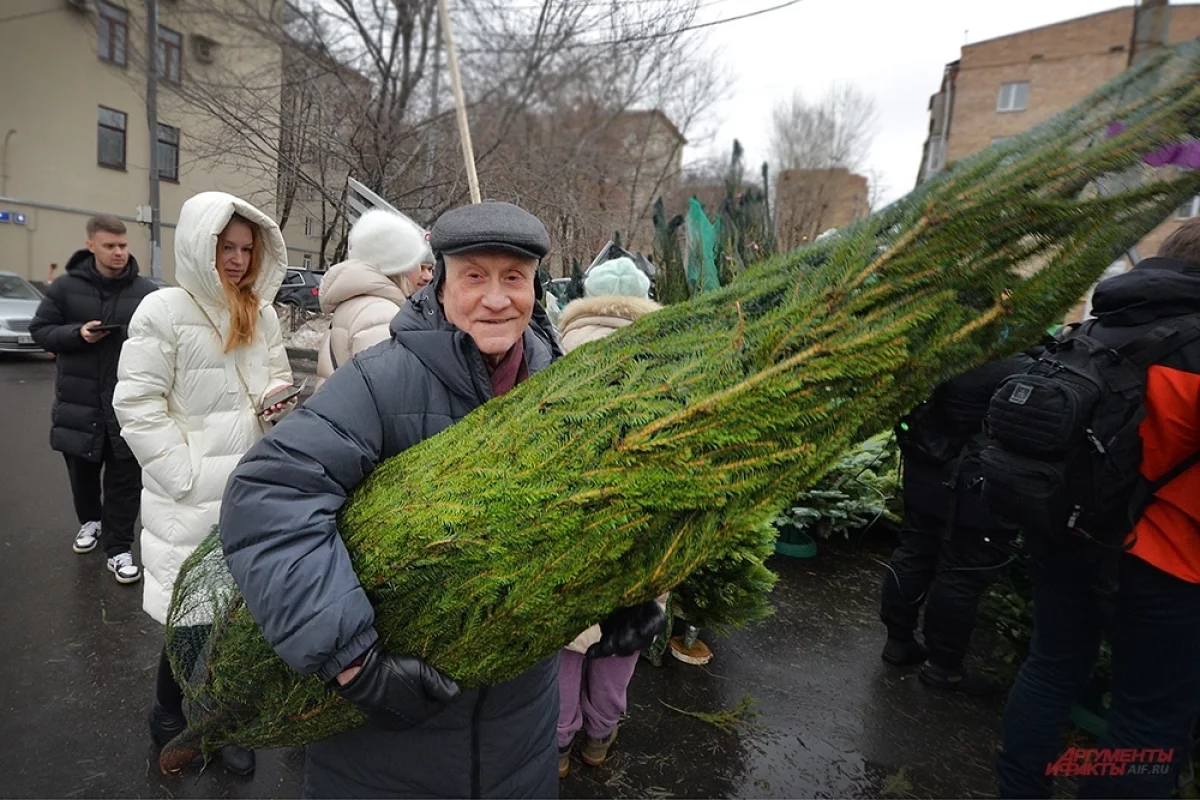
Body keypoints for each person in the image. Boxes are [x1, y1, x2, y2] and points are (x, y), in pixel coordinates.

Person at [218, 201, 666, 798]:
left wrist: (622, 593)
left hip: (521, 736)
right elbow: (268, 496)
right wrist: (352, 661)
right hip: (392, 745)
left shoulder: (560, 385)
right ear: (441, 283)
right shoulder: (382, 380)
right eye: (475, 276)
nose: (496, 298)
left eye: (514, 277)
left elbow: (590, 508)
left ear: (535, 287)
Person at [996, 218, 1200, 798]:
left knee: (1050, 668)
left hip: (1069, 532)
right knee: (1147, 721)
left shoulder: (1097, 328)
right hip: (1170, 564)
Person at [112, 192, 294, 777]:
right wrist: (182, 475)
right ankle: (169, 714)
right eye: (226, 248)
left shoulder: (261, 313)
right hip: (189, 497)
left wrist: (278, 408)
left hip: (253, 488)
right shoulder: (163, 311)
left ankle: (221, 721)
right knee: (190, 618)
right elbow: (136, 404)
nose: (238, 261)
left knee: (239, 619)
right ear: (199, 246)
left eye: (246, 249)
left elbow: (275, 379)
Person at [555, 257, 663, 777]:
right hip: (641, 537)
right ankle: (598, 740)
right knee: (621, 647)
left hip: (568, 538)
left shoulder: (555, 355)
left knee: (566, 647)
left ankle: (557, 746)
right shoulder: (666, 359)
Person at [880, 357, 1025, 695]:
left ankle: (898, 641)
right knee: (961, 574)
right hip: (976, 484)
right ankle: (943, 666)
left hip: (927, 466)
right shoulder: (1017, 367)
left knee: (914, 552)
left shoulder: (950, 353)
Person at [29, 215, 158, 583]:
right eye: (110, 246)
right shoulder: (66, 288)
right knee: (82, 476)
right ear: (91, 246)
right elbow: (41, 331)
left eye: (123, 245)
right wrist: (77, 334)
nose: (118, 252)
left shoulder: (147, 292)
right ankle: (90, 522)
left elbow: (163, 338)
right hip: (79, 404)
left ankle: (119, 549)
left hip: (127, 405)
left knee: (125, 482)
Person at [315, 209, 435, 388]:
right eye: (418, 264)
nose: (427, 276)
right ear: (401, 266)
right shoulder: (382, 314)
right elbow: (390, 390)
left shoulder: (359, 304)